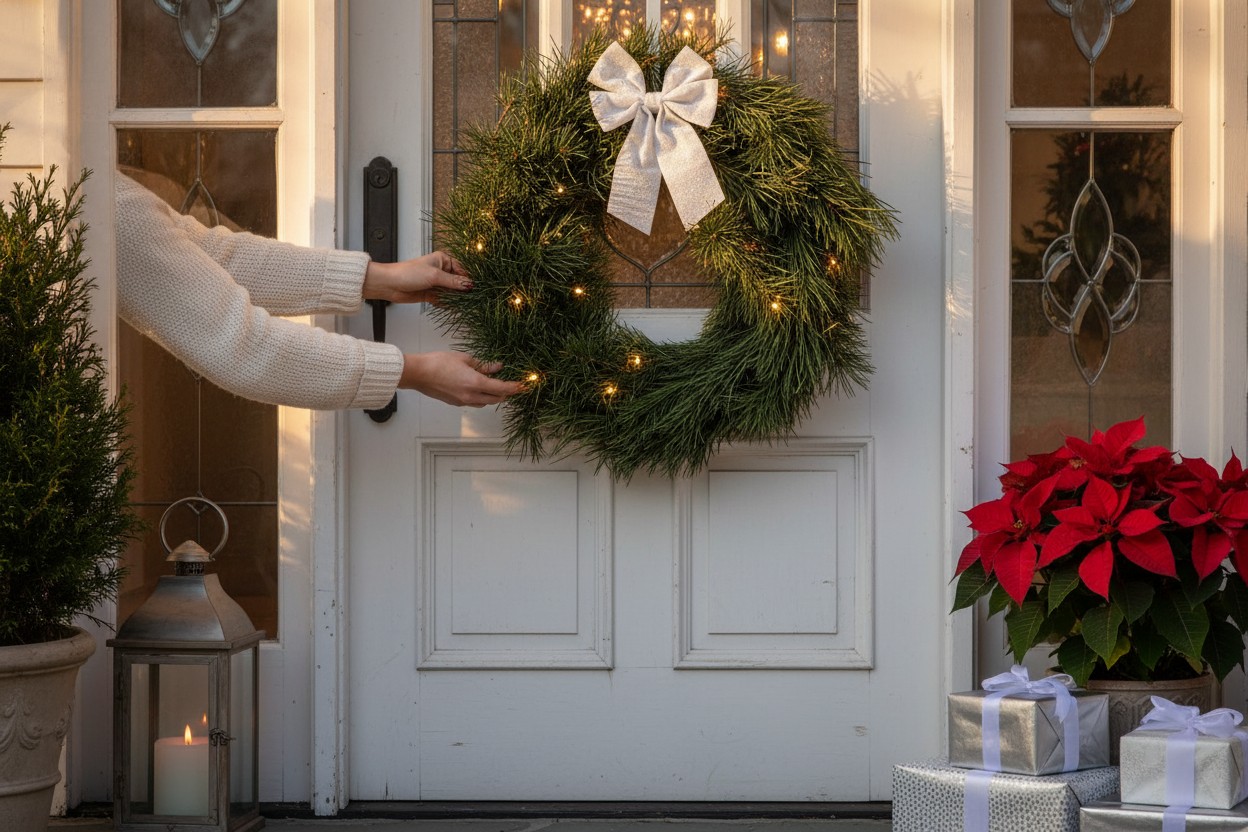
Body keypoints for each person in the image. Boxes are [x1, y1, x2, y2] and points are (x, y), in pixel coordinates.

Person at [115, 172, 524, 410]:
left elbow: (213, 258)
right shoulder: (99, 199)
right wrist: (416, 373)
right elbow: (241, 344)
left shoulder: (102, 184)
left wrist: (381, 279)